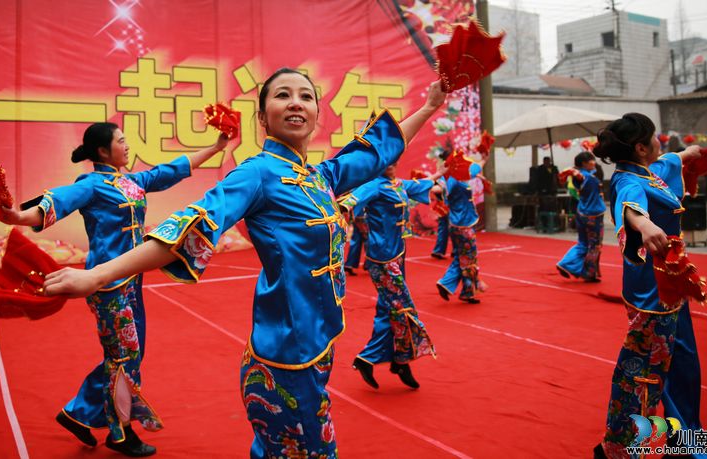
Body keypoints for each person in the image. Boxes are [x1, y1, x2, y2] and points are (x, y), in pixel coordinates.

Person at [42, 68, 446, 458]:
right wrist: (96, 275)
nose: (296, 103)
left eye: (306, 96)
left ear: (318, 115)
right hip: (283, 360)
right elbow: (191, 227)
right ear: (262, 116)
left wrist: (429, 107)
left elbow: (373, 153)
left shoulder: (319, 177)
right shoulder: (257, 174)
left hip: (316, 350)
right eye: (282, 95)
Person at [0, 122, 229, 456]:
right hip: (106, 284)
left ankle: (78, 414)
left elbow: (170, 171)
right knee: (124, 357)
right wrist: (17, 216)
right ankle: (120, 433)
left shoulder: (131, 181)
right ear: (103, 151)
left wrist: (216, 147)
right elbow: (57, 201)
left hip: (132, 279)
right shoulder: (91, 185)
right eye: (121, 141)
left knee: (126, 356)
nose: (127, 145)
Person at [591, 113, 705, 459]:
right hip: (650, 292)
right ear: (641, 147)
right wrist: (643, 224)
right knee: (647, 371)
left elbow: (670, 161)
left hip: (672, 283)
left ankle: (686, 439)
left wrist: (691, 154)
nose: (661, 143)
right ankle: (619, 446)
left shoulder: (648, 170)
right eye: (654, 138)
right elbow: (630, 203)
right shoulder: (628, 180)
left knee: (683, 363)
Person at [340, 164, 444, 390]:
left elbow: (420, 185)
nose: (392, 164)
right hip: (382, 257)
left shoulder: (398, 185)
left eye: (395, 159)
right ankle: (400, 359)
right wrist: (340, 211)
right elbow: (349, 201)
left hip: (398, 251)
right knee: (402, 307)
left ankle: (374, 359)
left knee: (388, 309)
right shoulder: (373, 186)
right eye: (387, 160)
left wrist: (440, 172)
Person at [435, 153, 485, 304]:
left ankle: (446, 283)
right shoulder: (452, 180)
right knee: (469, 257)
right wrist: (434, 185)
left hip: (460, 223)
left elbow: (475, 169)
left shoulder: (460, 177)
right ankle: (467, 291)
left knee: (461, 256)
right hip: (462, 225)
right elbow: (439, 188)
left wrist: (484, 158)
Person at [556, 151, 606, 282]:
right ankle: (589, 273)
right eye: (592, 160)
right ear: (584, 163)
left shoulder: (582, 176)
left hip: (582, 212)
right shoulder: (585, 177)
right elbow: (582, 176)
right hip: (594, 214)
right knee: (595, 245)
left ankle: (565, 263)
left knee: (583, 243)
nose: (594, 162)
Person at [343, 207, 368, 275]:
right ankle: (369, 262)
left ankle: (350, 263)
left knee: (356, 239)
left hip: (356, 212)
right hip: (363, 214)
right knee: (367, 238)